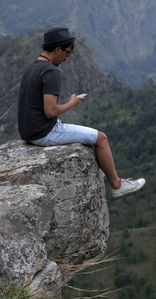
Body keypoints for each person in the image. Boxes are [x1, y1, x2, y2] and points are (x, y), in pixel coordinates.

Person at [18, 27, 145, 198]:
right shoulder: (51, 72)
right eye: (67, 53)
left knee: (65, 124)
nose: (66, 58)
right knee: (101, 138)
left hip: (27, 131)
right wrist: (72, 103)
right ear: (57, 49)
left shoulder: (32, 67)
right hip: (42, 133)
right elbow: (50, 111)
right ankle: (117, 185)